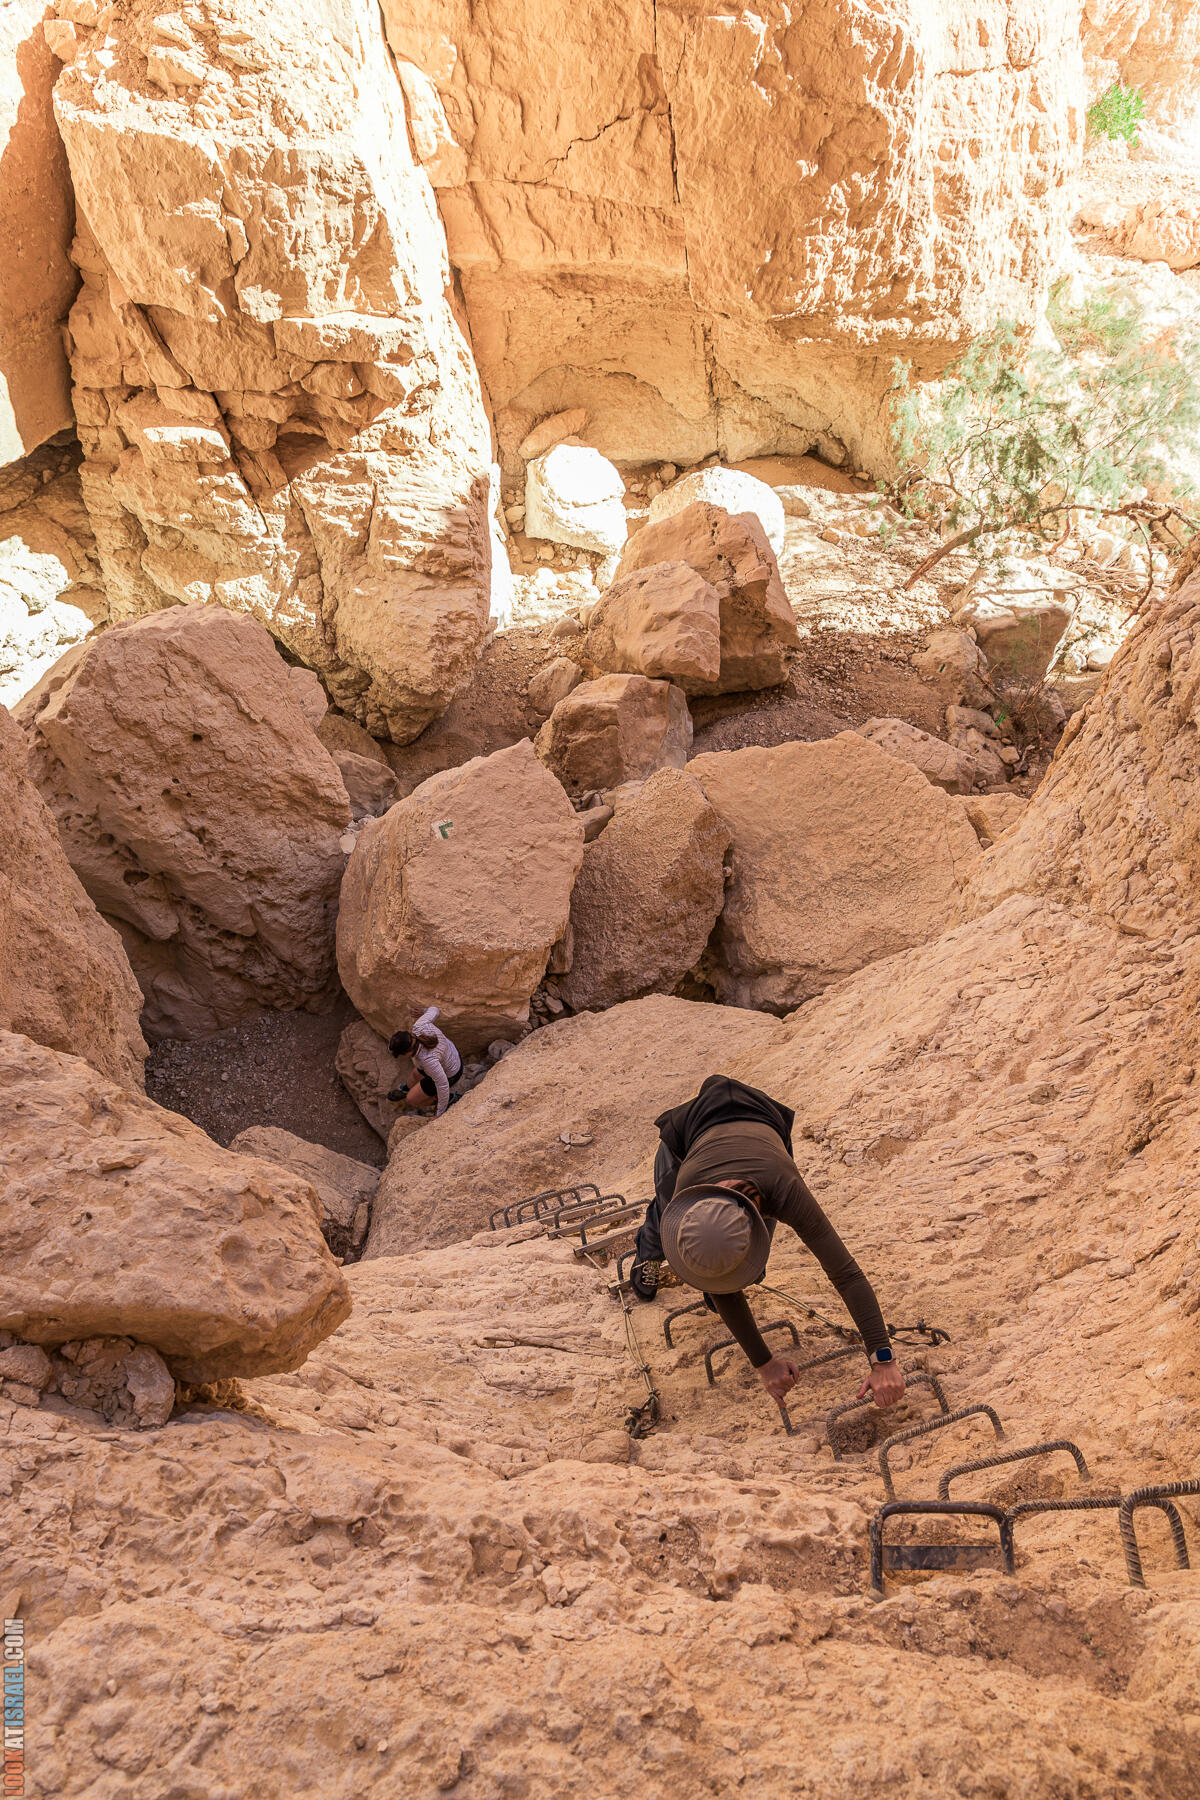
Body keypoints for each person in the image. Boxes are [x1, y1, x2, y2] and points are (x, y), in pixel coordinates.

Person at [629, 1074, 905, 1413]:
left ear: (758, 1212)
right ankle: (647, 1256)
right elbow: (716, 1272)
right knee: (662, 1222)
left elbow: (846, 1274)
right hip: (689, 1136)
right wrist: (764, 1363)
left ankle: (734, 1269)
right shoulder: (686, 1185)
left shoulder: (784, 1187)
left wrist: (883, 1359)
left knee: (750, 1268)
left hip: (763, 1121)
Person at [386, 1006, 464, 1118]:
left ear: (407, 1052)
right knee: (415, 1074)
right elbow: (435, 1010)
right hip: (451, 1056)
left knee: (412, 1100)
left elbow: (442, 1085)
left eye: (400, 1054)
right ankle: (405, 1090)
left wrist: (440, 1112)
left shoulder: (429, 1061)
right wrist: (423, 1011)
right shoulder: (419, 1026)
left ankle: (451, 1100)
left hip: (451, 1073)